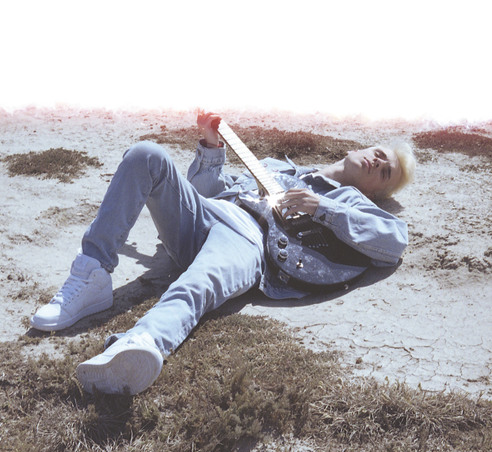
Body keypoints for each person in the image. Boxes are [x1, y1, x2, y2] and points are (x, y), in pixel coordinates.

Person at [30, 112, 416, 395]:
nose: (379, 163)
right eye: (380, 154)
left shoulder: (349, 201)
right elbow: (206, 190)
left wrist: (322, 208)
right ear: (358, 148)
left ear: (375, 191)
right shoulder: (276, 166)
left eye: (385, 172)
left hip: (247, 238)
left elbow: (394, 240)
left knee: (196, 286)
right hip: (204, 214)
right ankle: (92, 275)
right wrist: (212, 147)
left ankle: (141, 344)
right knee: (145, 154)